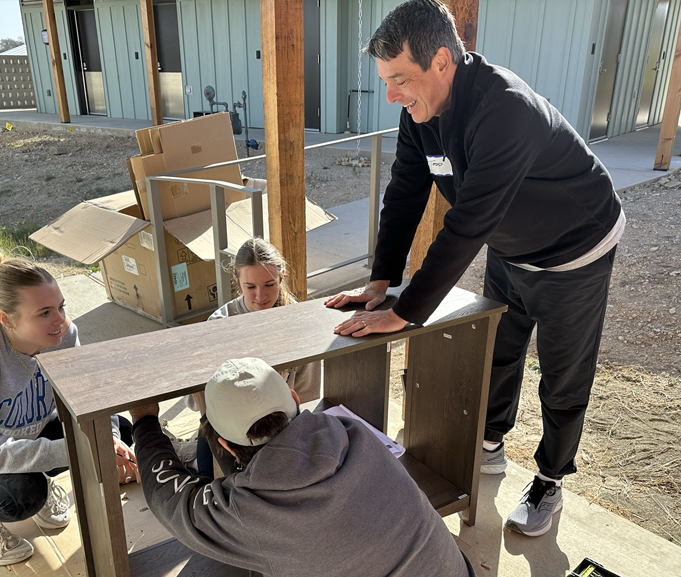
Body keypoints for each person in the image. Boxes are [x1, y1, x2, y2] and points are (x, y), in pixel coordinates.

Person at [326, 0, 623, 537]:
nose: (390, 94)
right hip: (511, 247)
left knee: (561, 375)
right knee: (500, 352)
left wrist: (408, 312)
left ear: (442, 61)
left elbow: (467, 224)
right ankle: (490, 441)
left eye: (399, 79)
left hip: (574, 248)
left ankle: (551, 479)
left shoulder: (506, 111)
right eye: (385, 80)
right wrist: (382, 280)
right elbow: (405, 193)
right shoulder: (419, 114)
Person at [130, 357, 475, 576]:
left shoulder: (247, 513)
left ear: (223, 445)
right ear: (294, 398)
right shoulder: (353, 435)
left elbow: (170, 499)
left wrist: (145, 421)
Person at [0, 252, 139, 566]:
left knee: (115, 429)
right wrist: (82, 450)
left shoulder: (63, 335)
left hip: (21, 436)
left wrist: (108, 440)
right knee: (23, 495)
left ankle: (40, 476)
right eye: (44, 312)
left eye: (61, 306)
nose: (59, 320)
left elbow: (90, 401)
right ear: (7, 319)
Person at [186, 237, 321, 412]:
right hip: (231, 422)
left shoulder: (299, 323)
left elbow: (308, 398)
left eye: (269, 284)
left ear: (281, 277)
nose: (260, 296)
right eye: (250, 287)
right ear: (237, 280)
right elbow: (194, 401)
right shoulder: (219, 325)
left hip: (287, 422)